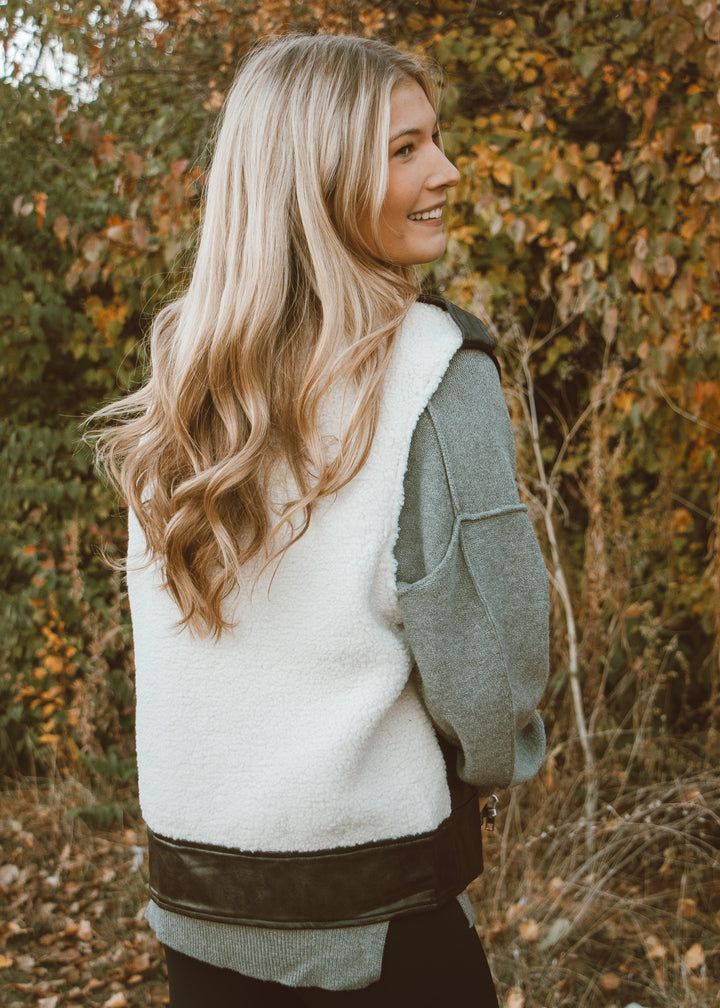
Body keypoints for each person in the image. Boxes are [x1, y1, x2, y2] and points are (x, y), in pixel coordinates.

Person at [90, 33, 549, 1007]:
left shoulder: (182, 391)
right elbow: (493, 679)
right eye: (406, 148)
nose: (447, 170)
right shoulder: (435, 373)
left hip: (198, 912)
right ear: (319, 176)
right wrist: (498, 756)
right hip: (376, 922)